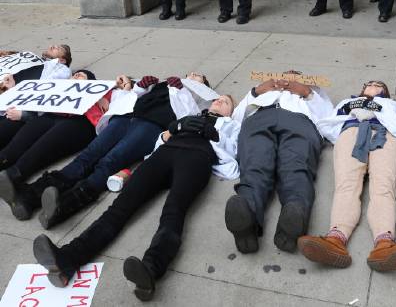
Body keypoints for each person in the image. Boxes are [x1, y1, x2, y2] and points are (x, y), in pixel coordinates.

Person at [33, 95, 238, 301]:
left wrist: (216, 135)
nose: (220, 101)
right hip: (164, 154)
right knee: (119, 208)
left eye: (226, 102)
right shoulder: (190, 114)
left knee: (174, 210)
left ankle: (150, 269)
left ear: (231, 111)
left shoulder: (233, 125)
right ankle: (68, 258)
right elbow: (160, 140)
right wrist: (176, 127)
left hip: (197, 157)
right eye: (218, 99)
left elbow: (234, 156)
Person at [34, 72, 209, 229]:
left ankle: (63, 206)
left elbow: (187, 117)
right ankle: (33, 194)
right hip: (128, 117)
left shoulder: (198, 99)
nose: (193, 75)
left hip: (152, 126)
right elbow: (136, 97)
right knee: (88, 154)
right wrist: (142, 86)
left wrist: (181, 91)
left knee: (110, 161)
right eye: (191, 74)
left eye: (198, 76)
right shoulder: (167, 83)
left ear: (203, 85)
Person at [298, 81, 396, 272]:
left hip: (388, 135)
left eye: (378, 84)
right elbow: (328, 123)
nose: (373, 85)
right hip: (351, 132)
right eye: (369, 83)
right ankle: (335, 239)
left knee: (383, 188)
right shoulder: (347, 103)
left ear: (386, 92)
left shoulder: (394, 105)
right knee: (346, 186)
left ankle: (385, 245)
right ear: (361, 89)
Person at [225, 71, 334, 253]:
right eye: (285, 75)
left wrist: (307, 93)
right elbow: (236, 117)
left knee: (296, 168)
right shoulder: (263, 91)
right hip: (259, 119)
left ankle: (294, 214)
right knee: (254, 166)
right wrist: (256, 91)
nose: (287, 78)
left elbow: (330, 119)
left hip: (300, 121)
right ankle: (246, 217)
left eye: (294, 76)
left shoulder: (313, 92)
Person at [0, 72, 133, 220]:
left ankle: (16, 177)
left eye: (81, 75)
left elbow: (124, 105)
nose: (76, 76)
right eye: (74, 75)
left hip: (80, 122)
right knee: (21, 141)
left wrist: (118, 90)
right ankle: (9, 175)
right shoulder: (59, 87)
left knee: (44, 147)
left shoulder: (107, 92)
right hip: (52, 116)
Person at [0, 44, 72, 150]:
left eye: (59, 48)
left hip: (16, 110)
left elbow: (43, 90)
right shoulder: (32, 60)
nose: (53, 46)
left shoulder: (61, 69)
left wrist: (14, 89)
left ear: (62, 60)